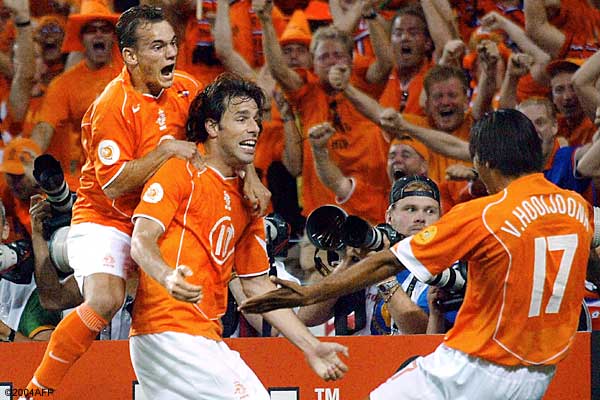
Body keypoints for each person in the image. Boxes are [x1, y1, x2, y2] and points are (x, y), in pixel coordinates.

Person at [241, 109, 598, 399]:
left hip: (474, 365)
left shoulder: (486, 214)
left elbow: (387, 260)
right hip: (539, 374)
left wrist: (308, 292)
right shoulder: (577, 208)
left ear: (483, 160)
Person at [129, 73, 348, 399]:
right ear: (212, 127)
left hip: (201, 334)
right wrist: (166, 275)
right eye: (241, 118)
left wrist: (311, 346)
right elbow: (141, 241)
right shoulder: (180, 171)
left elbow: (257, 285)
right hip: (169, 330)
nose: (254, 128)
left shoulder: (250, 199)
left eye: (256, 119)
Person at [22, 6, 201, 398]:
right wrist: (166, 151)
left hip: (162, 217)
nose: (171, 53)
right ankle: (37, 390)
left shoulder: (187, 89)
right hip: (106, 218)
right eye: (158, 46)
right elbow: (116, 184)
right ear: (131, 56)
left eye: (172, 43)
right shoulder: (110, 106)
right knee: (105, 299)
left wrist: (250, 179)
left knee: (185, 301)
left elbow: (222, 130)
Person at [29, 0, 122, 189]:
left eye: (105, 29)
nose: (98, 34)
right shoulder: (64, 84)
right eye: (91, 30)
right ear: (81, 38)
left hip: (134, 167)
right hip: (91, 177)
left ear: (113, 36)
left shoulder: (132, 72)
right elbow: (44, 129)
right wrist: (28, 161)